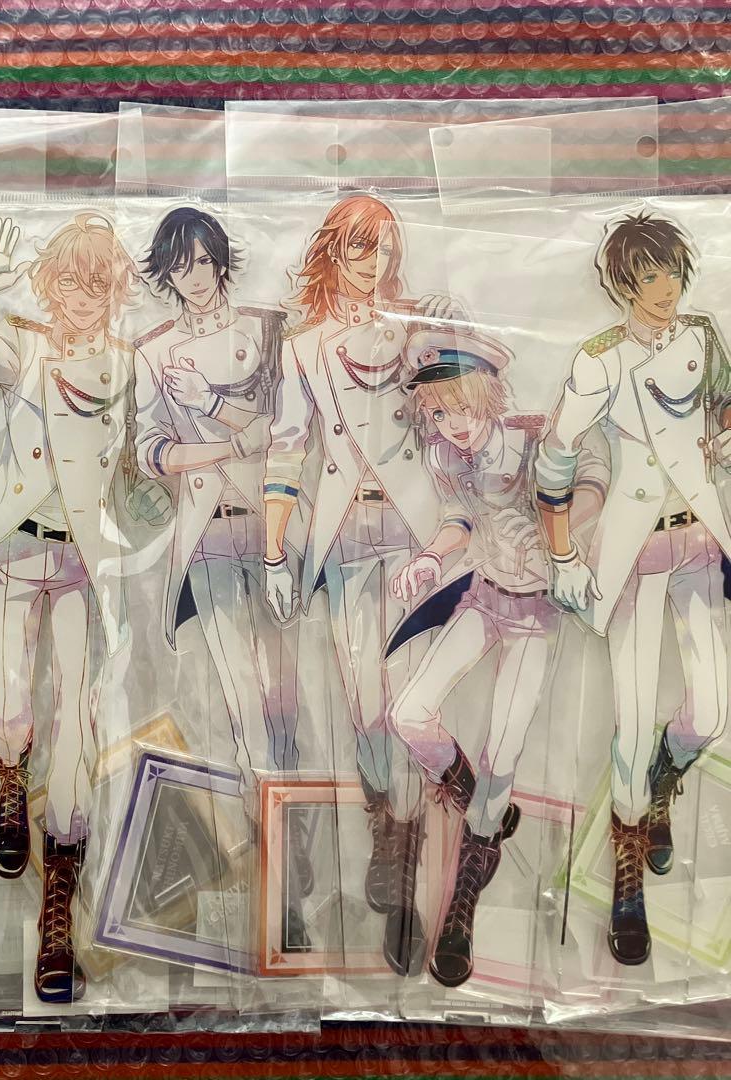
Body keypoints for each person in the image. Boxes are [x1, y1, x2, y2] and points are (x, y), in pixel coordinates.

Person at [0, 213, 167, 1004]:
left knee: (79, 721)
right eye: (69, 280)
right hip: (15, 547)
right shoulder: (25, 346)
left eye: (97, 283)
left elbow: (141, 458)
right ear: (47, 283)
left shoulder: (128, 362)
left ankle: (61, 877)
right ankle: (9, 777)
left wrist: (158, 499)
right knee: (9, 697)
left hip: (86, 561)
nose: (83, 296)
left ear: (114, 289)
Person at [261, 194, 461, 974]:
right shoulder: (304, 344)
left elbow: (454, 411)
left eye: (385, 251)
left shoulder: (414, 328)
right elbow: (287, 449)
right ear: (332, 253)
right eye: (360, 250)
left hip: (415, 527)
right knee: (362, 694)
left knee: (410, 691)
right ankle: (387, 817)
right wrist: (273, 553)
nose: (375, 265)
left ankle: (407, 842)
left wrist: (446, 342)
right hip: (344, 530)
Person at [534, 211, 731, 966]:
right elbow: (555, 455)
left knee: (710, 713)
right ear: (622, 283)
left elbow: (723, 403)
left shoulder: (702, 334)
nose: (665, 288)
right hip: (635, 550)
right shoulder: (601, 360)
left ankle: (660, 780)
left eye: (672, 272)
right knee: (634, 714)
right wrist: (561, 552)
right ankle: (627, 869)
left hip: (699, 538)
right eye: (648, 276)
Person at [389, 325, 607, 986]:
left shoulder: (535, 438)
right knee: (408, 714)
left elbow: (590, 482)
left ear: (488, 393)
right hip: (482, 599)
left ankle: (466, 889)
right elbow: (458, 519)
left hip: (536, 616)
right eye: (438, 414)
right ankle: (476, 799)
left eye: (460, 407)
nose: (451, 425)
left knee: (503, 750)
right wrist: (430, 559)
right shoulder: (444, 456)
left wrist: (562, 529)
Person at [133, 206, 300, 786]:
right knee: (239, 683)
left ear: (221, 261)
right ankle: (262, 801)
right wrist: (229, 446)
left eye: (204, 262)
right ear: (167, 275)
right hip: (207, 530)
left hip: (274, 522)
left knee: (285, 682)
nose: (196, 278)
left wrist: (208, 403)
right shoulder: (153, 350)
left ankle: (289, 801)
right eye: (182, 268)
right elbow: (150, 452)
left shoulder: (266, 328)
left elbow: (283, 429)